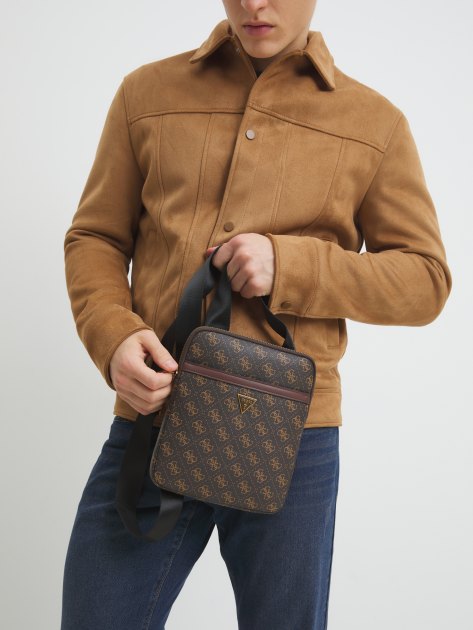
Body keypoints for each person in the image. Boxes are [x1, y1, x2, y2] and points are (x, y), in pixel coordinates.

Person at [60, 1, 452, 628]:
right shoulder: (146, 94)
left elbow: (425, 279)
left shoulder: (375, 124)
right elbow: (96, 237)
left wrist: (291, 265)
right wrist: (112, 335)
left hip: (292, 437)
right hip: (155, 417)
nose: (253, 4)